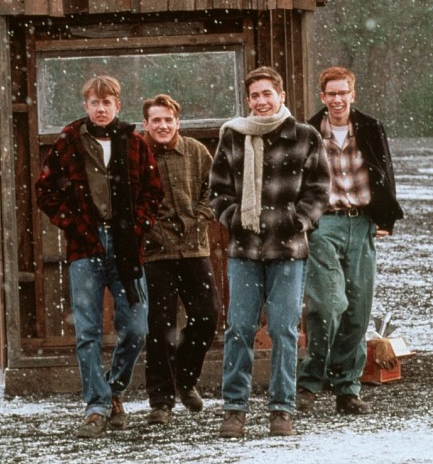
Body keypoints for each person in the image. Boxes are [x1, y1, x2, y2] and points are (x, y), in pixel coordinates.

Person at [35, 75, 163, 439]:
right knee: (87, 331)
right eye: (94, 102)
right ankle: (96, 406)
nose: (101, 108)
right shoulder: (69, 141)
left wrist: (137, 226)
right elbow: (45, 191)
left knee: (137, 328)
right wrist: (74, 224)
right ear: (86, 105)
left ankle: (113, 390)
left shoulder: (134, 142)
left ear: (118, 105)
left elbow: (154, 192)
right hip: (85, 246)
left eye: (107, 102)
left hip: (127, 248)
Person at [209, 66, 330, 438]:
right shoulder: (233, 136)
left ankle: (281, 409)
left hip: (289, 249)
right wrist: (235, 217)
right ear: (248, 101)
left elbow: (319, 189)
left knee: (284, 329)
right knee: (239, 329)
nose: (261, 101)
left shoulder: (304, 136)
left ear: (281, 96)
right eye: (254, 96)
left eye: (267, 94)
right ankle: (235, 409)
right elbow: (217, 190)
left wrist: (298, 220)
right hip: (244, 250)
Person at [297, 66, 404, 415]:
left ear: (352, 94)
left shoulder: (370, 128)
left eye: (344, 92)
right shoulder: (309, 131)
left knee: (358, 309)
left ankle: (347, 387)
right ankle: (311, 382)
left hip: (361, 225)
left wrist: (385, 217)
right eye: (332, 93)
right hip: (324, 224)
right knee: (328, 305)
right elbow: (298, 179)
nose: (338, 99)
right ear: (323, 96)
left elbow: (384, 170)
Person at [142, 94, 221, 425]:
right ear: (146, 124)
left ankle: (185, 378)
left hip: (193, 248)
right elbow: (131, 200)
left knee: (207, 315)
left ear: (178, 122)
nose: (163, 126)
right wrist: (152, 228)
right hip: (155, 252)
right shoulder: (137, 154)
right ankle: (161, 400)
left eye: (168, 120)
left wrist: (201, 217)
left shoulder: (195, 151)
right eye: (156, 120)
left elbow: (215, 190)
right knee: (160, 325)